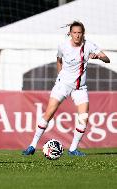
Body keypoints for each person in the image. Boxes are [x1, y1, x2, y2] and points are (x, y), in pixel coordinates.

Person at [23, 21, 110, 156]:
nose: (77, 35)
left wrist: (99, 57)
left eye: (79, 33)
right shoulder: (63, 46)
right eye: (74, 33)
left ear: (83, 34)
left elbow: (107, 59)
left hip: (79, 88)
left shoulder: (89, 46)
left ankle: (73, 149)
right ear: (70, 33)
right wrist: (60, 76)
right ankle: (32, 145)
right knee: (49, 113)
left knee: (84, 117)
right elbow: (59, 60)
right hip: (62, 85)